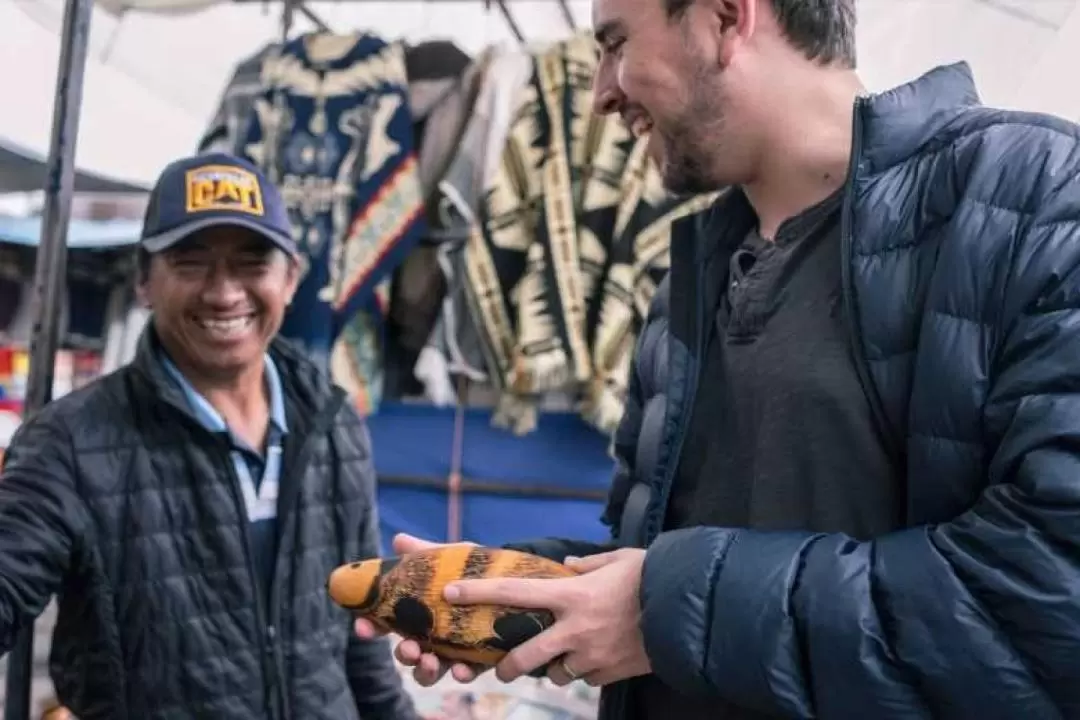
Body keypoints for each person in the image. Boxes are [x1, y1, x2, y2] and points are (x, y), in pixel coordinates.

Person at [356, 0, 1080, 718]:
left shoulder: (1033, 199)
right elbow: (672, 555)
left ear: (727, 18)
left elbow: (1050, 597)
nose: (603, 91)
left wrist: (659, 613)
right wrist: (522, 591)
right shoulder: (689, 278)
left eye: (614, 43)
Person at [0, 153, 419, 720]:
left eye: (252, 263)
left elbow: (361, 637)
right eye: (191, 263)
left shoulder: (331, 422)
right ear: (145, 281)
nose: (224, 293)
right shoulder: (70, 443)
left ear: (290, 278)